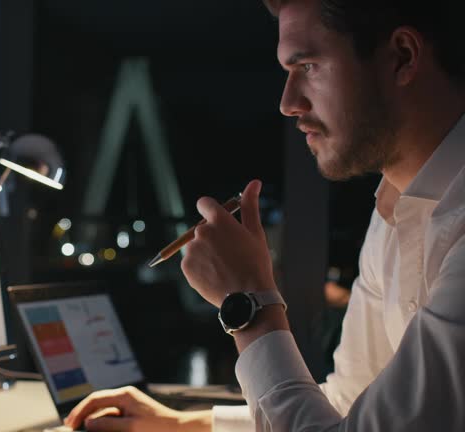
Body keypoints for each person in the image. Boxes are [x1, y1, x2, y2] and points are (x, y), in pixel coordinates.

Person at [64, 0, 465, 430]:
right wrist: (184, 426)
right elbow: (349, 404)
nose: (288, 102)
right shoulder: (393, 213)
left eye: (308, 66)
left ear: (401, 56)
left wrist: (250, 302)